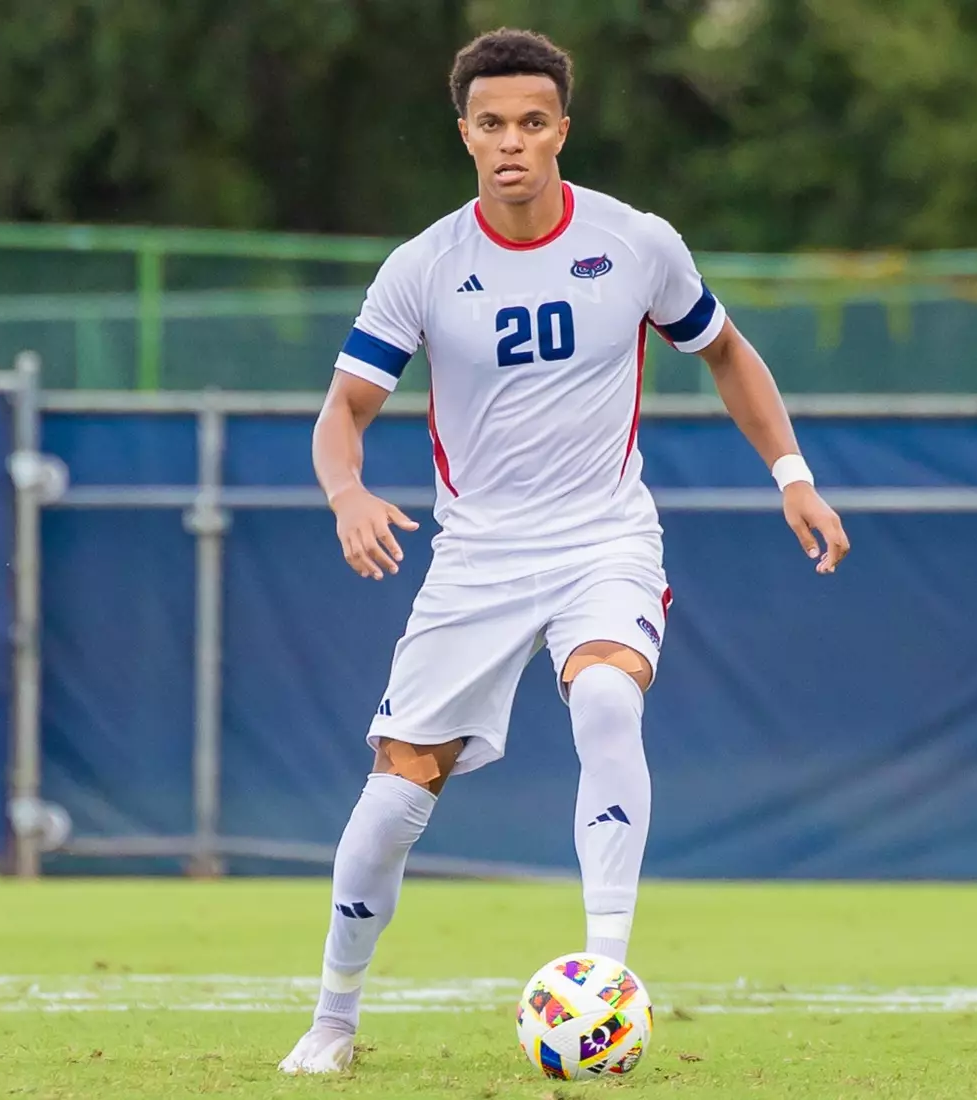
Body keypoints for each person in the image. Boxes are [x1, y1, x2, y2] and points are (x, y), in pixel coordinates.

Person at [279, 26, 850, 1075]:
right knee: (396, 796)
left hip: (605, 535)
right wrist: (346, 490)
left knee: (604, 699)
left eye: (532, 122)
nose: (513, 142)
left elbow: (726, 351)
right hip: (478, 557)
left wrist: (793, 474)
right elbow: (343, 410)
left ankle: (605, 979)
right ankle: (333, 1015)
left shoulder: (636, 241)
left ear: (562, 131)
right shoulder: (423, 267)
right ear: (465, 135)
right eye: (491, 124)